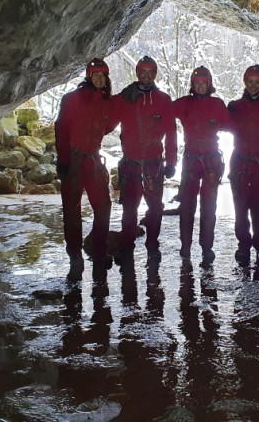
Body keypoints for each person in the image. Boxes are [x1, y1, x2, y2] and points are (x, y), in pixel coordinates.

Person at [109, 56, 177, 266]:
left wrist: (172, 162)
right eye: (143, 71)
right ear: (137, 72)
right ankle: (127, 247)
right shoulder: (126, 98)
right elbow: (107, 119)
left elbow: (171, 133)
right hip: (131, 163)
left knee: (155, 208)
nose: (146, 75)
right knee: (130, 208)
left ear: (155, 74)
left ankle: (152, 244)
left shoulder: (163, 100)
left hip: (153, 164)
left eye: (150, 72)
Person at [54, 58, 114, 278]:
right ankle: (75, 255)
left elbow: (108, 126)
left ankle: (98, 250)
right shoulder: (72, 99)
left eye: (103, 75)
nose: (99, 78)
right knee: (72, 209)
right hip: (74, 159)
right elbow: (61, 128)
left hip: (93, 160)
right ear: (88, 76)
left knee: (104, 206)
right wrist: (63, 159)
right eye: (95, 74)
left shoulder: (107, 101)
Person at [173, 66, 230, 263]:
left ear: (209, 84)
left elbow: (235, 126)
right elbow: (162, 111)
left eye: (203, 82)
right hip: (191, 162)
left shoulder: (217, 104)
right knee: (187, 206)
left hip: (211, 162)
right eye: (197, 82)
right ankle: (185, 246)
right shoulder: (183, 103)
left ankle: (206, 247)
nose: (200, 85)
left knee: (209, 207)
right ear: (192, 84)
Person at [227, 64, 259, 267]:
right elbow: (212, 124)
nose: (254, 85)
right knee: (240, 209)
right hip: (240, 164)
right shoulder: (235, 106)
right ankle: (244, 247)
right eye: (250, 81)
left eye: (257, 82)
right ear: (244, 82)